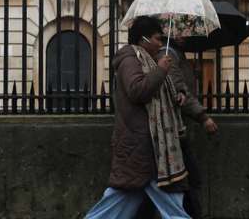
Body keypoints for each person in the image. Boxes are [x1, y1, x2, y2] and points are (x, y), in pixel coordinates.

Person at [83, 16, 192, 219]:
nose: (161, 43)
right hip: (142, 147)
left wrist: (178, 95)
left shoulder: (150, 60)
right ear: (143, 39)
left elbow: (162, 93)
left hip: (149, 149)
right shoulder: (129, 59)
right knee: (170, 207)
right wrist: (161, 70)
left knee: (118, 204)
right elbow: (138, 90)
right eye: (157, 38)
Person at [136, 42, 219, 219]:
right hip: (173, 130)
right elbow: (176, 89)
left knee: (173, 183)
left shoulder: (175, 53)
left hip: (174, 128)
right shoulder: (168, 54)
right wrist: (203, 117)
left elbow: (178, 87)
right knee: (187, 181)